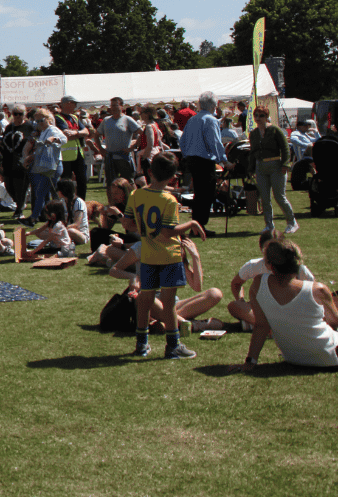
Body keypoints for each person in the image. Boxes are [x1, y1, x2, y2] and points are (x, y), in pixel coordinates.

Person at [125, 153, 206, 359]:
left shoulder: (136, 195)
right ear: (172, 177)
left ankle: (141, 344)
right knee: (168, 303)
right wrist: (192, 223)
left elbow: (127, 224)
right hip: (169, 256)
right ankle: (173, 345)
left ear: (150, 172)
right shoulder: (169, 200)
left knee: (145, 300)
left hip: (148, 255)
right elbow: (168, 232)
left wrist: (145, 230)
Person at [232, 239, 338, 371]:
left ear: (270, 264)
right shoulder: (319, 290)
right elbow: (334, 323)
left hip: (293, 358)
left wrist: (250, 362)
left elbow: (261, 326)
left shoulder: (258, 284)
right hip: (330, 356)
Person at [109, 234, 224, 336]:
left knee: (214, 293)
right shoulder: (142, 247)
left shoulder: (176, 250)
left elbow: (197, 287)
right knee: (145, 296)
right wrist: (132, 276)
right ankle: (190, 325)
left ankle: (167, 322)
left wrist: (195, 257)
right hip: (148, 302)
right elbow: (114, 269)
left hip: (171, 303)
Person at [177, 91, 230, 237]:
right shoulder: (211, 120)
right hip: (204, 161)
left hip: (192, 160)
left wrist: (187, 155)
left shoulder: (193, 120)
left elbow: (182, 141)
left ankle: (196, 225)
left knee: (199, 194)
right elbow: (215, 143)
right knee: (206, 194)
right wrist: (224, 160)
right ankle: (199, 226)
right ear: (214, 105)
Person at [249, 105, 299, 235]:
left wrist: (285, 164)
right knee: (265, 198)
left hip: (276, 165)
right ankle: (269, 225)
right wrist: (251, 169)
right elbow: (252, 152)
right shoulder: (253, 134)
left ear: (266, 117)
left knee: (279, 197)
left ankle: (292, 222)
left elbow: (285, 148)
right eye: (256, 115)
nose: (258, 118)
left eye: (261, 115)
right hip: (261, 167)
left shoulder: (275, 130)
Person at [22, 108, 66, 223]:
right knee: (47, 193)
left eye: (41, 120)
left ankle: (35, 218)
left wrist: (54, 138)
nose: (39, 123)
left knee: (45, 192)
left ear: (48, 119)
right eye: (37, 121)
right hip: (47, 165)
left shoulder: (52, 130)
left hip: (53, 165)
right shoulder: (44, 131)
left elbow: (64, 139)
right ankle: (55, 217)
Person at [0, 105, 34, 224]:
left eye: (20, 113)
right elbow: (4, 143)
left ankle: (19, 210)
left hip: (22, 162)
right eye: (15, 113)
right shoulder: (9, 127)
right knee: (9, 186)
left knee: (21, 187)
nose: (18, 116)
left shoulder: (30, 127)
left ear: (25, 114)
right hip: (8, 161)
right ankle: (19, 203)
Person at [53, 95, 91, 200]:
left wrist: (76, 133)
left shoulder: (74, 117)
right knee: (66, 183)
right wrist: (80, 133)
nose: (75, 106)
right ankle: (67, 203)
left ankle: (81, 202)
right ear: (67, 103)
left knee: (82, 180)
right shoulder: (58, 118)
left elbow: (86, 131)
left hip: (78, 153)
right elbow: (66, 134)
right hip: (66, 156)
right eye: (74, 103)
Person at [97, 97, 140, 184]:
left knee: (128, 182)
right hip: (110, 157)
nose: (113, 107)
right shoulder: (106, 120)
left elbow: (142, 133)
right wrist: (101, 149)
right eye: (111, 105)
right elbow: (96, 135)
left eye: (115, 105)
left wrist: (132, 147)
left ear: (121, 106)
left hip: (123, 157)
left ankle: (131, 197)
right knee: (110, 183)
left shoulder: (127, 119)